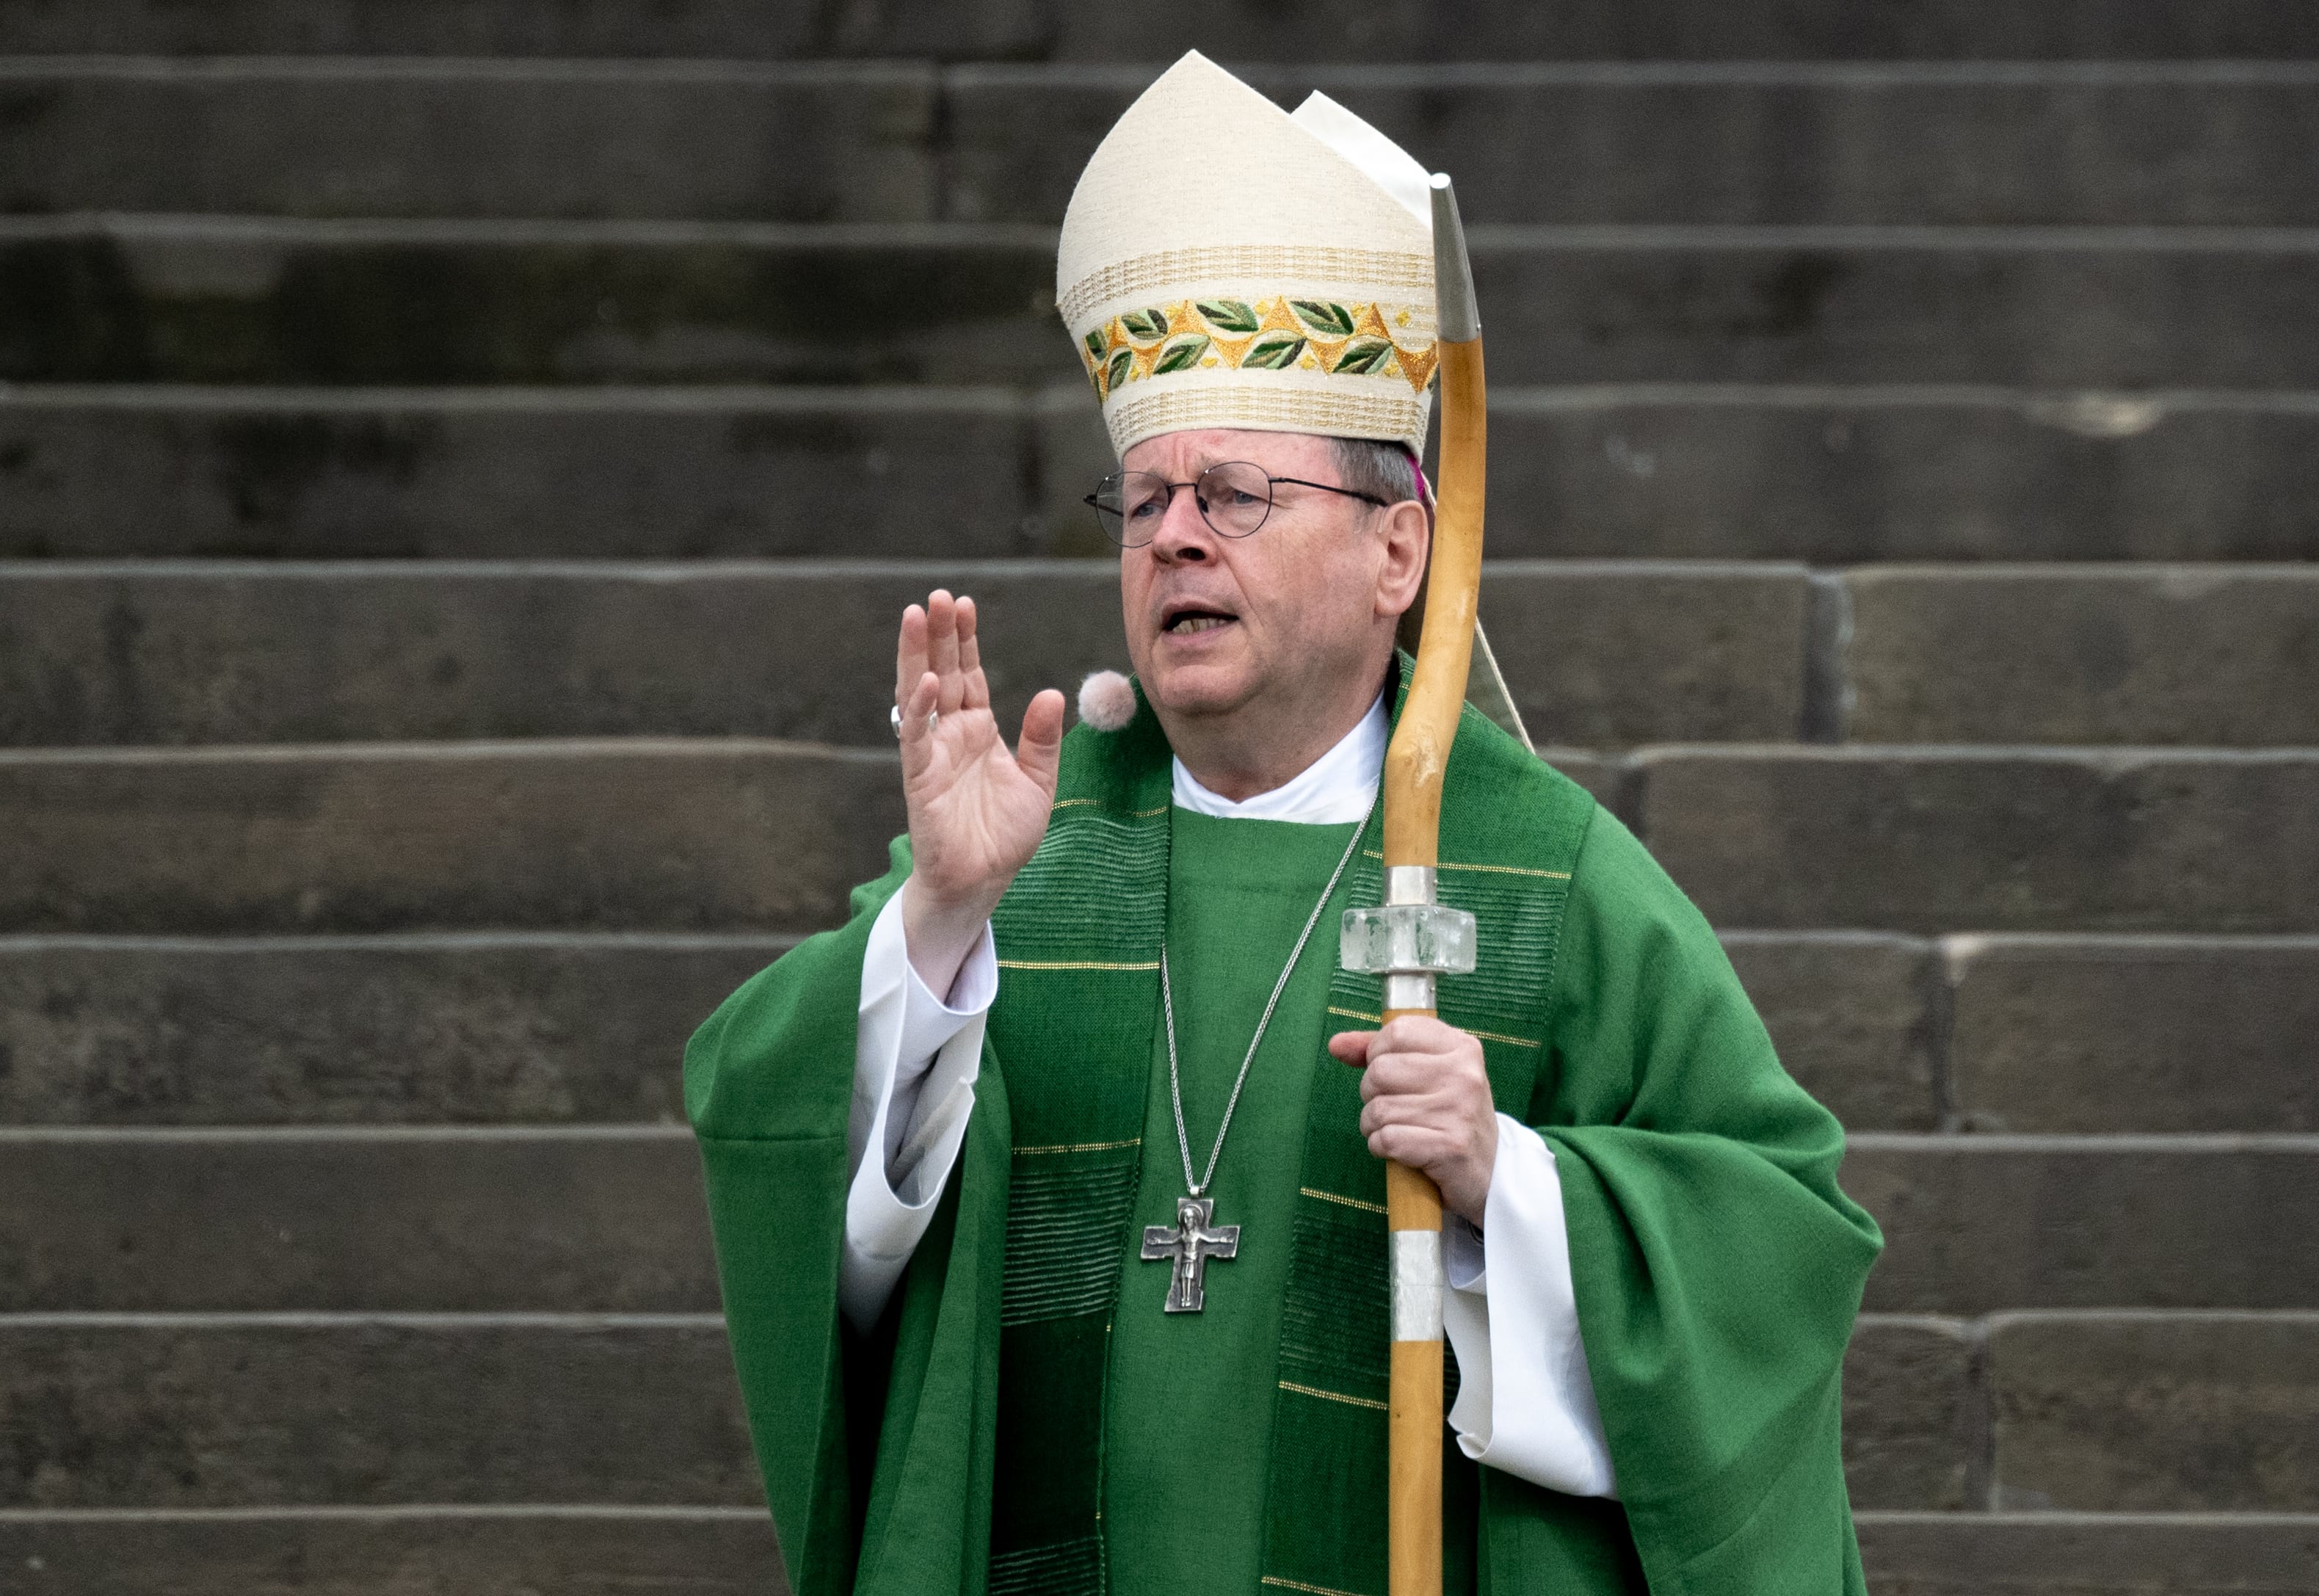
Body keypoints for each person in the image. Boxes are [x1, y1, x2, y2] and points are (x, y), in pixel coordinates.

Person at [685, 51, 1882, 1595]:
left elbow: (1779, 1244)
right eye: (1144, 498)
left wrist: (1509, 1184)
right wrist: (936, 923)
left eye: (1236, 494)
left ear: (1397, 551)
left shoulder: (1542, 876)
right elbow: (783, 1168)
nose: (1173, 532)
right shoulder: (1023, 860)